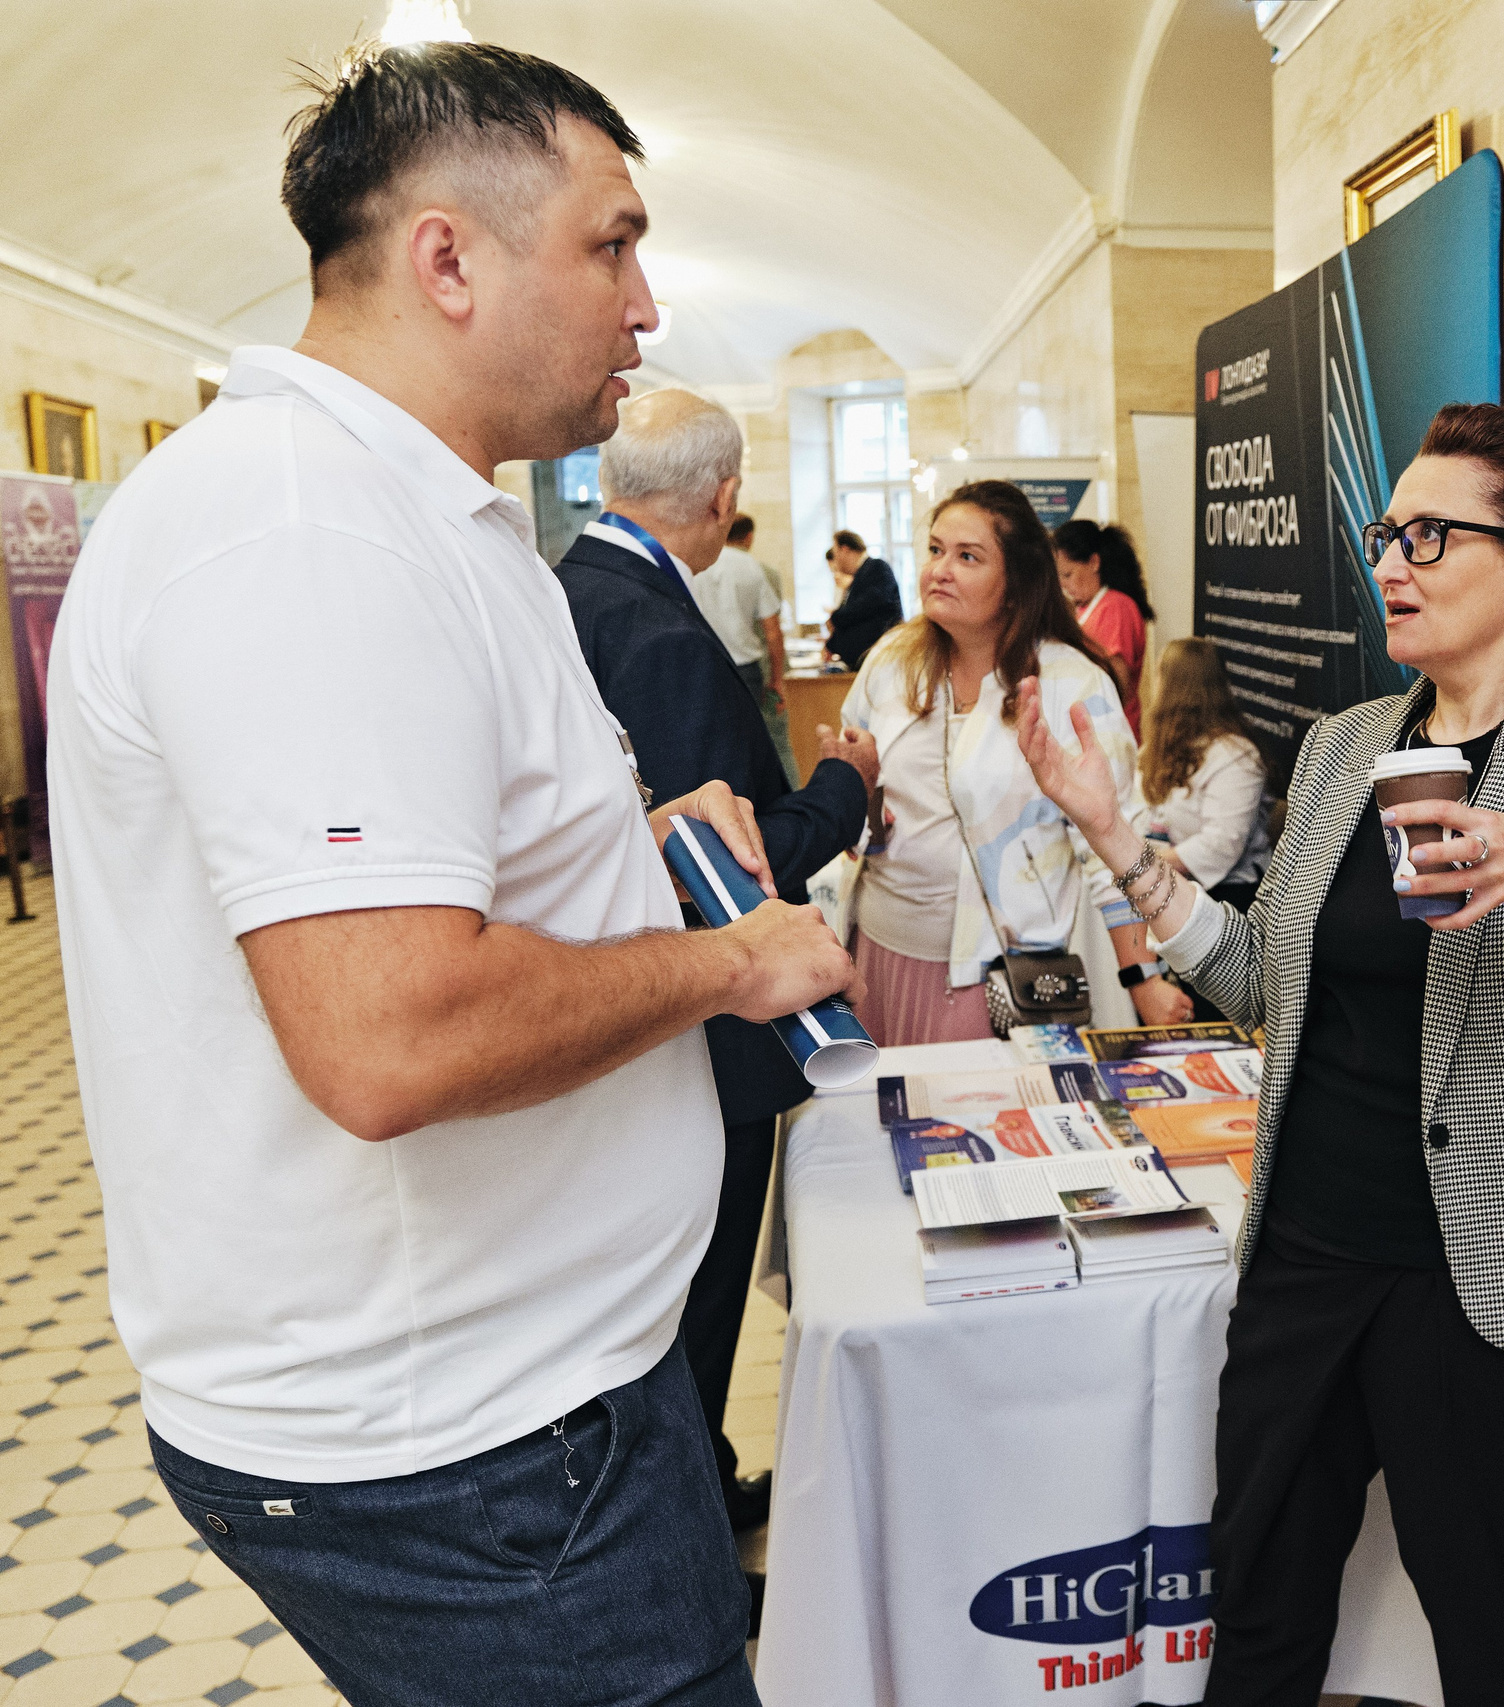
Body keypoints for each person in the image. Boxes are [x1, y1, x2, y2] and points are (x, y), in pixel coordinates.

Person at [45, 41, 856, 1706]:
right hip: (474, 1449)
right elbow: (392, 1031)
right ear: (448, 261)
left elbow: (407, 883)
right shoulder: (306, 529)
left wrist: (620, 861)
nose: (647, 305)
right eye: (613, 244)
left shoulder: (412, 513)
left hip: (520, 1402)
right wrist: (726, 961)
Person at [1016, 402, 1504, 1706]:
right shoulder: (1351, 744)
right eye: (1388, 530)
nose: (1391, 559)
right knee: (1265, 1610)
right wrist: (1119, 840)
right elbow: (1256, 978)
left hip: (1488, 1271)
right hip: (1308, 1245)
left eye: (1431, 534)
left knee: (1487, 1627)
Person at [555, 387, 879, 1536]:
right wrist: (844, 786)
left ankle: (695, 1474)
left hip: (608, 1014)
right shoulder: (655, 628)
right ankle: (682, 1529)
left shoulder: (564, 591)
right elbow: (721, 865)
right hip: (703, 1031)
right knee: (695, 1301)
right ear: (724, 497)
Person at [840, 480, 1190, 1046]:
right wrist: (859, 808)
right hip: (877, 954)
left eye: (967, 556)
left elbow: (1113, 847)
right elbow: (861, 784)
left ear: (1016, 581)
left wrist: (1141, 976)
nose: (940, 570)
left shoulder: (1071, 685)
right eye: (934, 550)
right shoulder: (891, 661)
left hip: (999, 976)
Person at [1137, 637, 1270, 903]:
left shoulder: (1237, 757)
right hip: (1168, 880)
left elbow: (1220, 845)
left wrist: (1142, 865)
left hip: (1229, 894)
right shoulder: (1156, 749)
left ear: (1172, 688)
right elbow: (1136, 815)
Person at [697, 511, 797, 777]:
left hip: (707, 665)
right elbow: (773, 633)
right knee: (761, 741)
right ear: (749, 537)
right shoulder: (750, 565)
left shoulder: (698, 562)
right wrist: (776, 681)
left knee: (717, 745)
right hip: (747, 670)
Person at [1052, 517, 1151, 726]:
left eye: (1068, 575)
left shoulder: (1116, 608)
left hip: (1107, 728)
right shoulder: (1082, 608)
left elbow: (1118, 686)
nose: (1064, 585)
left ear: (1094, 563)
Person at [824, 528, 901, 672]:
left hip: (880, 663)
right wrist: (832, 644)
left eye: (835, 553)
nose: (835, 561)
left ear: (845, 550)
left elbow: (865, 607)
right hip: (865, 664)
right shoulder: (861, 575)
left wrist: (836, 617)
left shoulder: (877, 568)